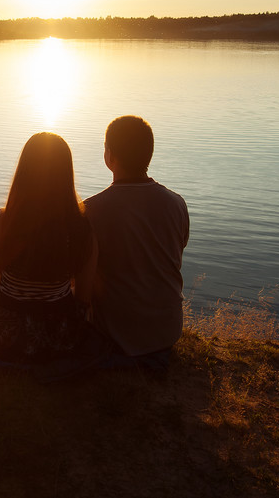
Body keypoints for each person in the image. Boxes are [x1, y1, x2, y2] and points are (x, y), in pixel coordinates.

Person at [0, 132, 101, 375]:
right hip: (58, 339)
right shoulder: (81, 228)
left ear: (24, 171)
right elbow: (84, 298)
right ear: (66, 174)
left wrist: (18, 303)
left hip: (2, 336)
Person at [84, 115, 190, 372]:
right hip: (166, 331)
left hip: (116, 335)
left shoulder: (90, 210)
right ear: (149, 154)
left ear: (109, 156)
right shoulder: (177, 203)